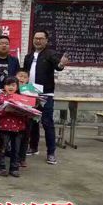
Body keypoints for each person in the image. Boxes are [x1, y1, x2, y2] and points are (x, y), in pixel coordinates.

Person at [23, 29, 69, 165]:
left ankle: (51, 153)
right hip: (30, 93)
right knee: (32, 122)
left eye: (41, 38)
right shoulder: (28, 56)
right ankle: (33, 147)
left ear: (46, 40)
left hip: (45, 95)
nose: (37, 41)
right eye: (35, 38)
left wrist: (61, 64)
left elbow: (58, 66)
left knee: (47, 123)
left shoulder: (50, 54)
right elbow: (24, 73)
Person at [0, 77, 27, 177]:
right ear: (4, 86)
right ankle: (0, 167)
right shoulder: (1, 97)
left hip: (18, 128)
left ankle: (14, 168)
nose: (10, 87)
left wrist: (26, 111)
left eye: (13, 85)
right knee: (2, 148)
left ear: (17, 87)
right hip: (5, 127)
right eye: (8, 85)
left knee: (16, 149)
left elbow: (26, 113)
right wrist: (6, 110)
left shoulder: (21, 98)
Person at [16, 68, 39, 167]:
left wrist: (36, 102)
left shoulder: (31, 90)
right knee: (16, 139)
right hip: (15, 118)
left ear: (28, 79)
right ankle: (15, 158)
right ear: (15, 77)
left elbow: (36, 104)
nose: (22, 78)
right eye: (20, 76)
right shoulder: (12, 88)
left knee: (25, 138)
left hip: (27, 119)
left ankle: (22, 158)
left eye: (25, 77)